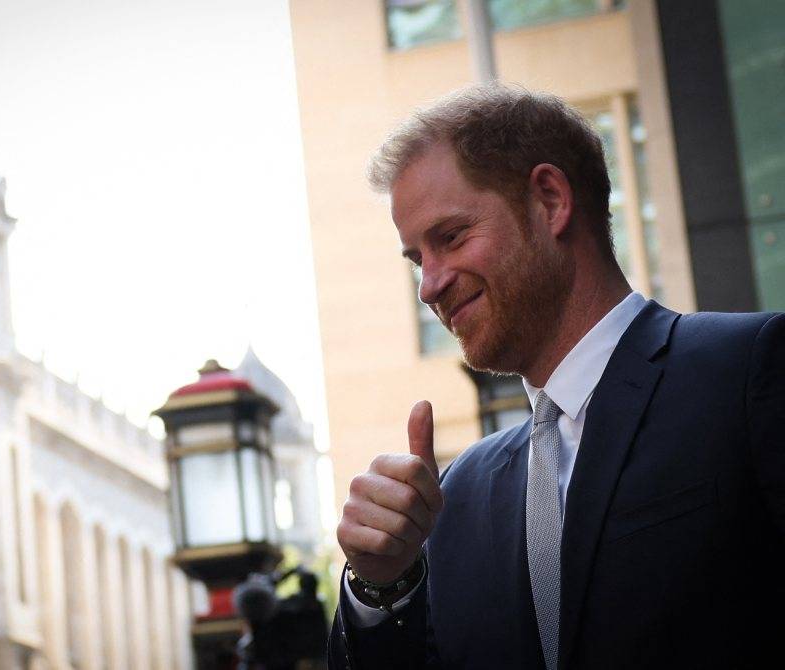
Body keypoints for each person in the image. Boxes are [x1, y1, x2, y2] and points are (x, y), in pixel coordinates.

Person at [329, 83, 785, 669]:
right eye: (418, 259)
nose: (429, 286)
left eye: (450, 238)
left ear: (550, 200)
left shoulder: (746, 371)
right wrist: (380, 586)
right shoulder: (458, 493)